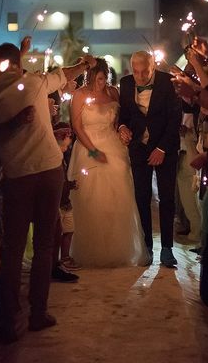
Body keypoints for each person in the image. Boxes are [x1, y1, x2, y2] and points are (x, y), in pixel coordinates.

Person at [0, 41, 95, 343]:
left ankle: (9, 318)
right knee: (46, 244)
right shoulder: (32, 82)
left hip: (16, 174)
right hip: (47, 169)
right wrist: (85, 64)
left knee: (13, 249)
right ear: (18, 63)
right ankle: (38, 313)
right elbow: (63, 73)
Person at [67, 58, 148, 267]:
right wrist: (93, 151)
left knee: (118, 193)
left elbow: (120, 119)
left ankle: (117, 248)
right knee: (92, 197)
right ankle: (90, 249)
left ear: (107, 76)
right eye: (96, 79)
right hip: (88, 146)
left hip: (113, 145)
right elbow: (77, 126)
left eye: (103, 79)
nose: (100, 83)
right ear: (89, 77)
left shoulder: (113, 93)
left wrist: (122, 129)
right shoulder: (80, 94)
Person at [118, 51, 182, 267]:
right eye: (136, 72)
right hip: (138, 148)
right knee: (141, 197)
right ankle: (146, 247)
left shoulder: (168, 82)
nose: (140, 76)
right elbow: (124, 114)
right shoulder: (125, 83)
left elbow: (175, 118)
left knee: (166, 198)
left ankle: (167, 248)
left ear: (153, 66)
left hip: (165, 148)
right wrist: (122, 127)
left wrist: (162, 148)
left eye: (145, 71)